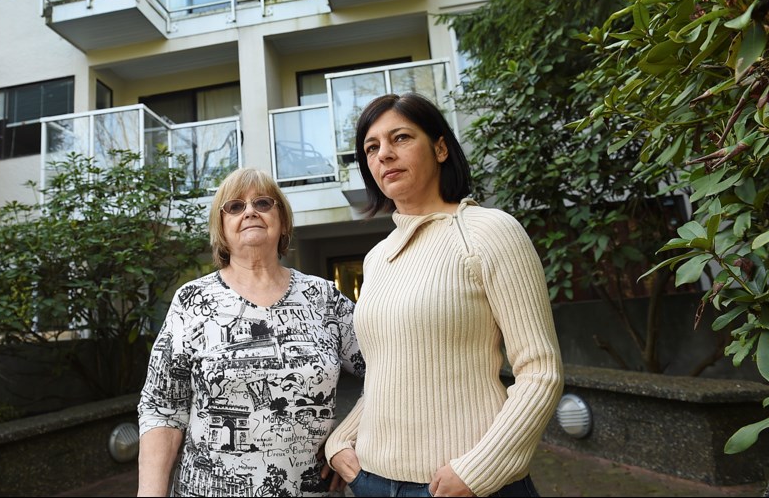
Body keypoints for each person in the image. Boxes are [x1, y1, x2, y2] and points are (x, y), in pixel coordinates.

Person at [325, 93, 563, 498]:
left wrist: (477, 471)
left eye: (400, 138)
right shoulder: (378, 257)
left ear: (439, 148)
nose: (384, 154)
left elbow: (540, 371)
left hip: (464, 484)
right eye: (372, 147)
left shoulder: (490, 231)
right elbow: (389, 374)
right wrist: (340, 442)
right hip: (372, 482)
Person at [137, 167, 365, 497]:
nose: (249, 212)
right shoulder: (193, 300)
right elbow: (162, 409)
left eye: (262, 203)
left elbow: (386, 369)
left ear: (283, 220)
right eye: (234, 206)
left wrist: (348, 434)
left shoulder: (323, 297)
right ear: (221, 227)